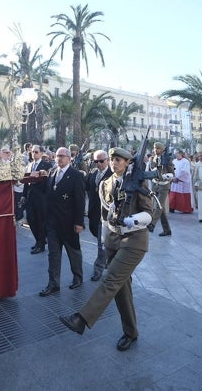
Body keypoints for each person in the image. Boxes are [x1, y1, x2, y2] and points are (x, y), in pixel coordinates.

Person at [59, 147, 154, 351]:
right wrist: (104, 239)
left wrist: (130, 221)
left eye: (119, 159)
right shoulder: (104, 184)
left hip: (134, 241)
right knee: (121, 288)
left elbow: (149, 213)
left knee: (110, 279)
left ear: (128, 162)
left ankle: (81, 319)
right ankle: (131, 332)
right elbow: (104, 215)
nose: (115, 162)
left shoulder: (138, 182)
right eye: (112, 159)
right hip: (113, 240)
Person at [39, 147, 85, 296]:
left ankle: (77, 278)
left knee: (73, 253)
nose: (59, 159)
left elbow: (80, 201)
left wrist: (79, 223)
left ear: (69, 158)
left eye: (63, 156)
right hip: (52, 223)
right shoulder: (52, 172)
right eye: (57, 156)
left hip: (69, 222)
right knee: (53, 254)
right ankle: (53, 284)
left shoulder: (76, 175)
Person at [86, 149, 112, 281]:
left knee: (101, 243)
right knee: (99, 239)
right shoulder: (92, 173)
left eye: (101, 161)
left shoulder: (112, 175)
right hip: (93, 214)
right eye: (96, 161)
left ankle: (98, 268)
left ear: (107, 160)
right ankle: (106, 260)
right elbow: (86, 188)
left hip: (106, 216)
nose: (99, 164)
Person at [22, 145, 51, 254]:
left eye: (36, 152)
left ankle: (41, 243)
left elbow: (48, 181)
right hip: (30, 197)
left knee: (41, 220)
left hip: (41, 197)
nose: (34, 154)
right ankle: (39, 241)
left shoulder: (47, 165)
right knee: (30, 219)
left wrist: (42, 174)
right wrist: (24, 195)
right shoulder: (29, 165)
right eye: (32, 152)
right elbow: (26, 181)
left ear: (42, 153)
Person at [146, 142, 175, 236]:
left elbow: (172, 173)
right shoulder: (152, 159)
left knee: (158, 206)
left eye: (158, 148)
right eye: (155, 148)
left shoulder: (167, 159)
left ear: (162, 149)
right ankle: (167, 230)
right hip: (155, 185)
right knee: (160, 209)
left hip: (164, 185)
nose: (156, 150)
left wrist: (167, 176)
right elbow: (150, 171)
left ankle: (152, 224)